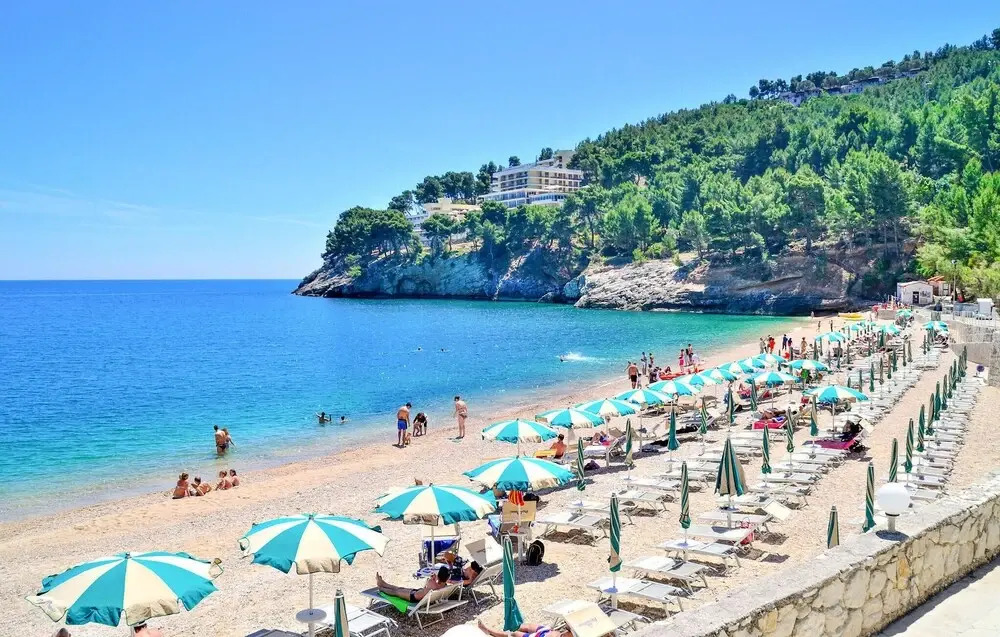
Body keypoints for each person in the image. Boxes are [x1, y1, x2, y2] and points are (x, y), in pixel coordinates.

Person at [375, 565, 449, 602]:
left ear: (438, 575)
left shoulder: (433, 585)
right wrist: (435, 578)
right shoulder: (444, 586)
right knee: (400, 589)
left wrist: (433, 578)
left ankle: (381, 588)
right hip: (417, 593)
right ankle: (383, 584)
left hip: (414, 597)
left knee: (396, 592)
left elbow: (427, 583)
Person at [478, 619, 570, 637]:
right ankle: (505, 631)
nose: (566, 628)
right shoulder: (572, 631)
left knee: (514, 634)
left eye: (568, 629)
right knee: (526, 626)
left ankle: (489, 631)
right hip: (547, 631)